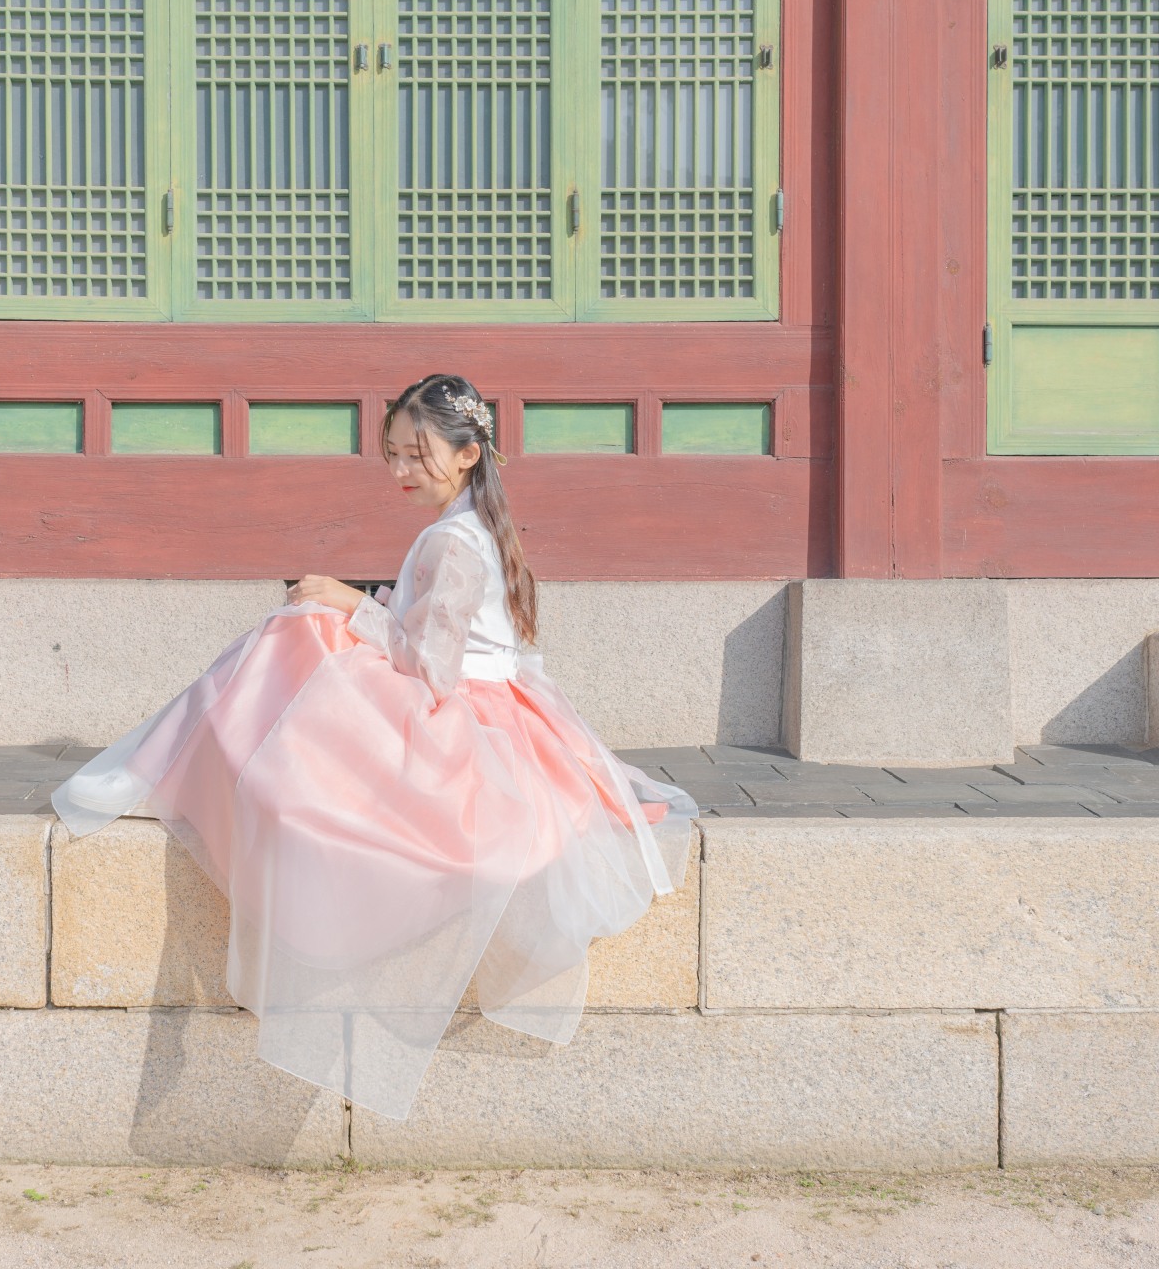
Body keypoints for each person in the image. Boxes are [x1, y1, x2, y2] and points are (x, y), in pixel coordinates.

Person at [52, 373, 696, 1119]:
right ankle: (201, 755)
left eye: (416, 455)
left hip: (463, 717)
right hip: (492, 706)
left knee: (295, 637)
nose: (399, 471)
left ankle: (183, 760)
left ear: (467, 454)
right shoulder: (474, 527)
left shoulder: (455, 540)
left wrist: (351, 601)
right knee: (307, 635)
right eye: (392, 455)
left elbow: (433, 667)